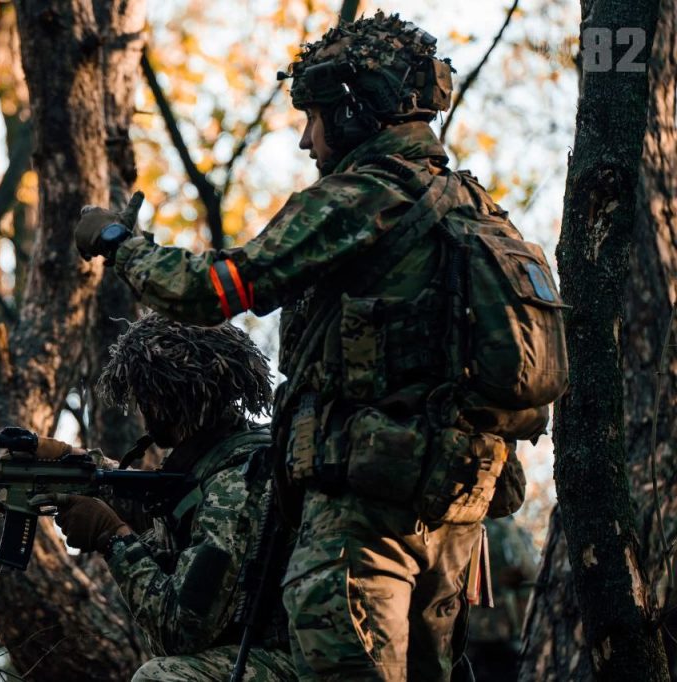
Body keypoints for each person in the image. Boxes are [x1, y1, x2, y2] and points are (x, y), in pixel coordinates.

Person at [72, 11, 564, 681]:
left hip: (361, 526)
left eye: (314, 115)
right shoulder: (477, 210)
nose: (306, 139)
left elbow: (213, 290)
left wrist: (118, 245)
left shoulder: (361, 198)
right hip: (454, 518)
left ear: (356, 110)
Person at [40, 313, 296, 681]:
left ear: (168, 401)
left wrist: (113, 539)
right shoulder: (225, 460)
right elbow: (165, 502)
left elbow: (181, 628)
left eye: (145, 397)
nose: (142, 412)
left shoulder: (233, 485)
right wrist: (81, 466)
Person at [460, 516, 539, 682]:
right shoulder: (472, 528)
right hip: (479, 634)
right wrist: (497, 579)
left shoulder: (515, 530)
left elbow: (532, 573)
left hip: (511, 633)